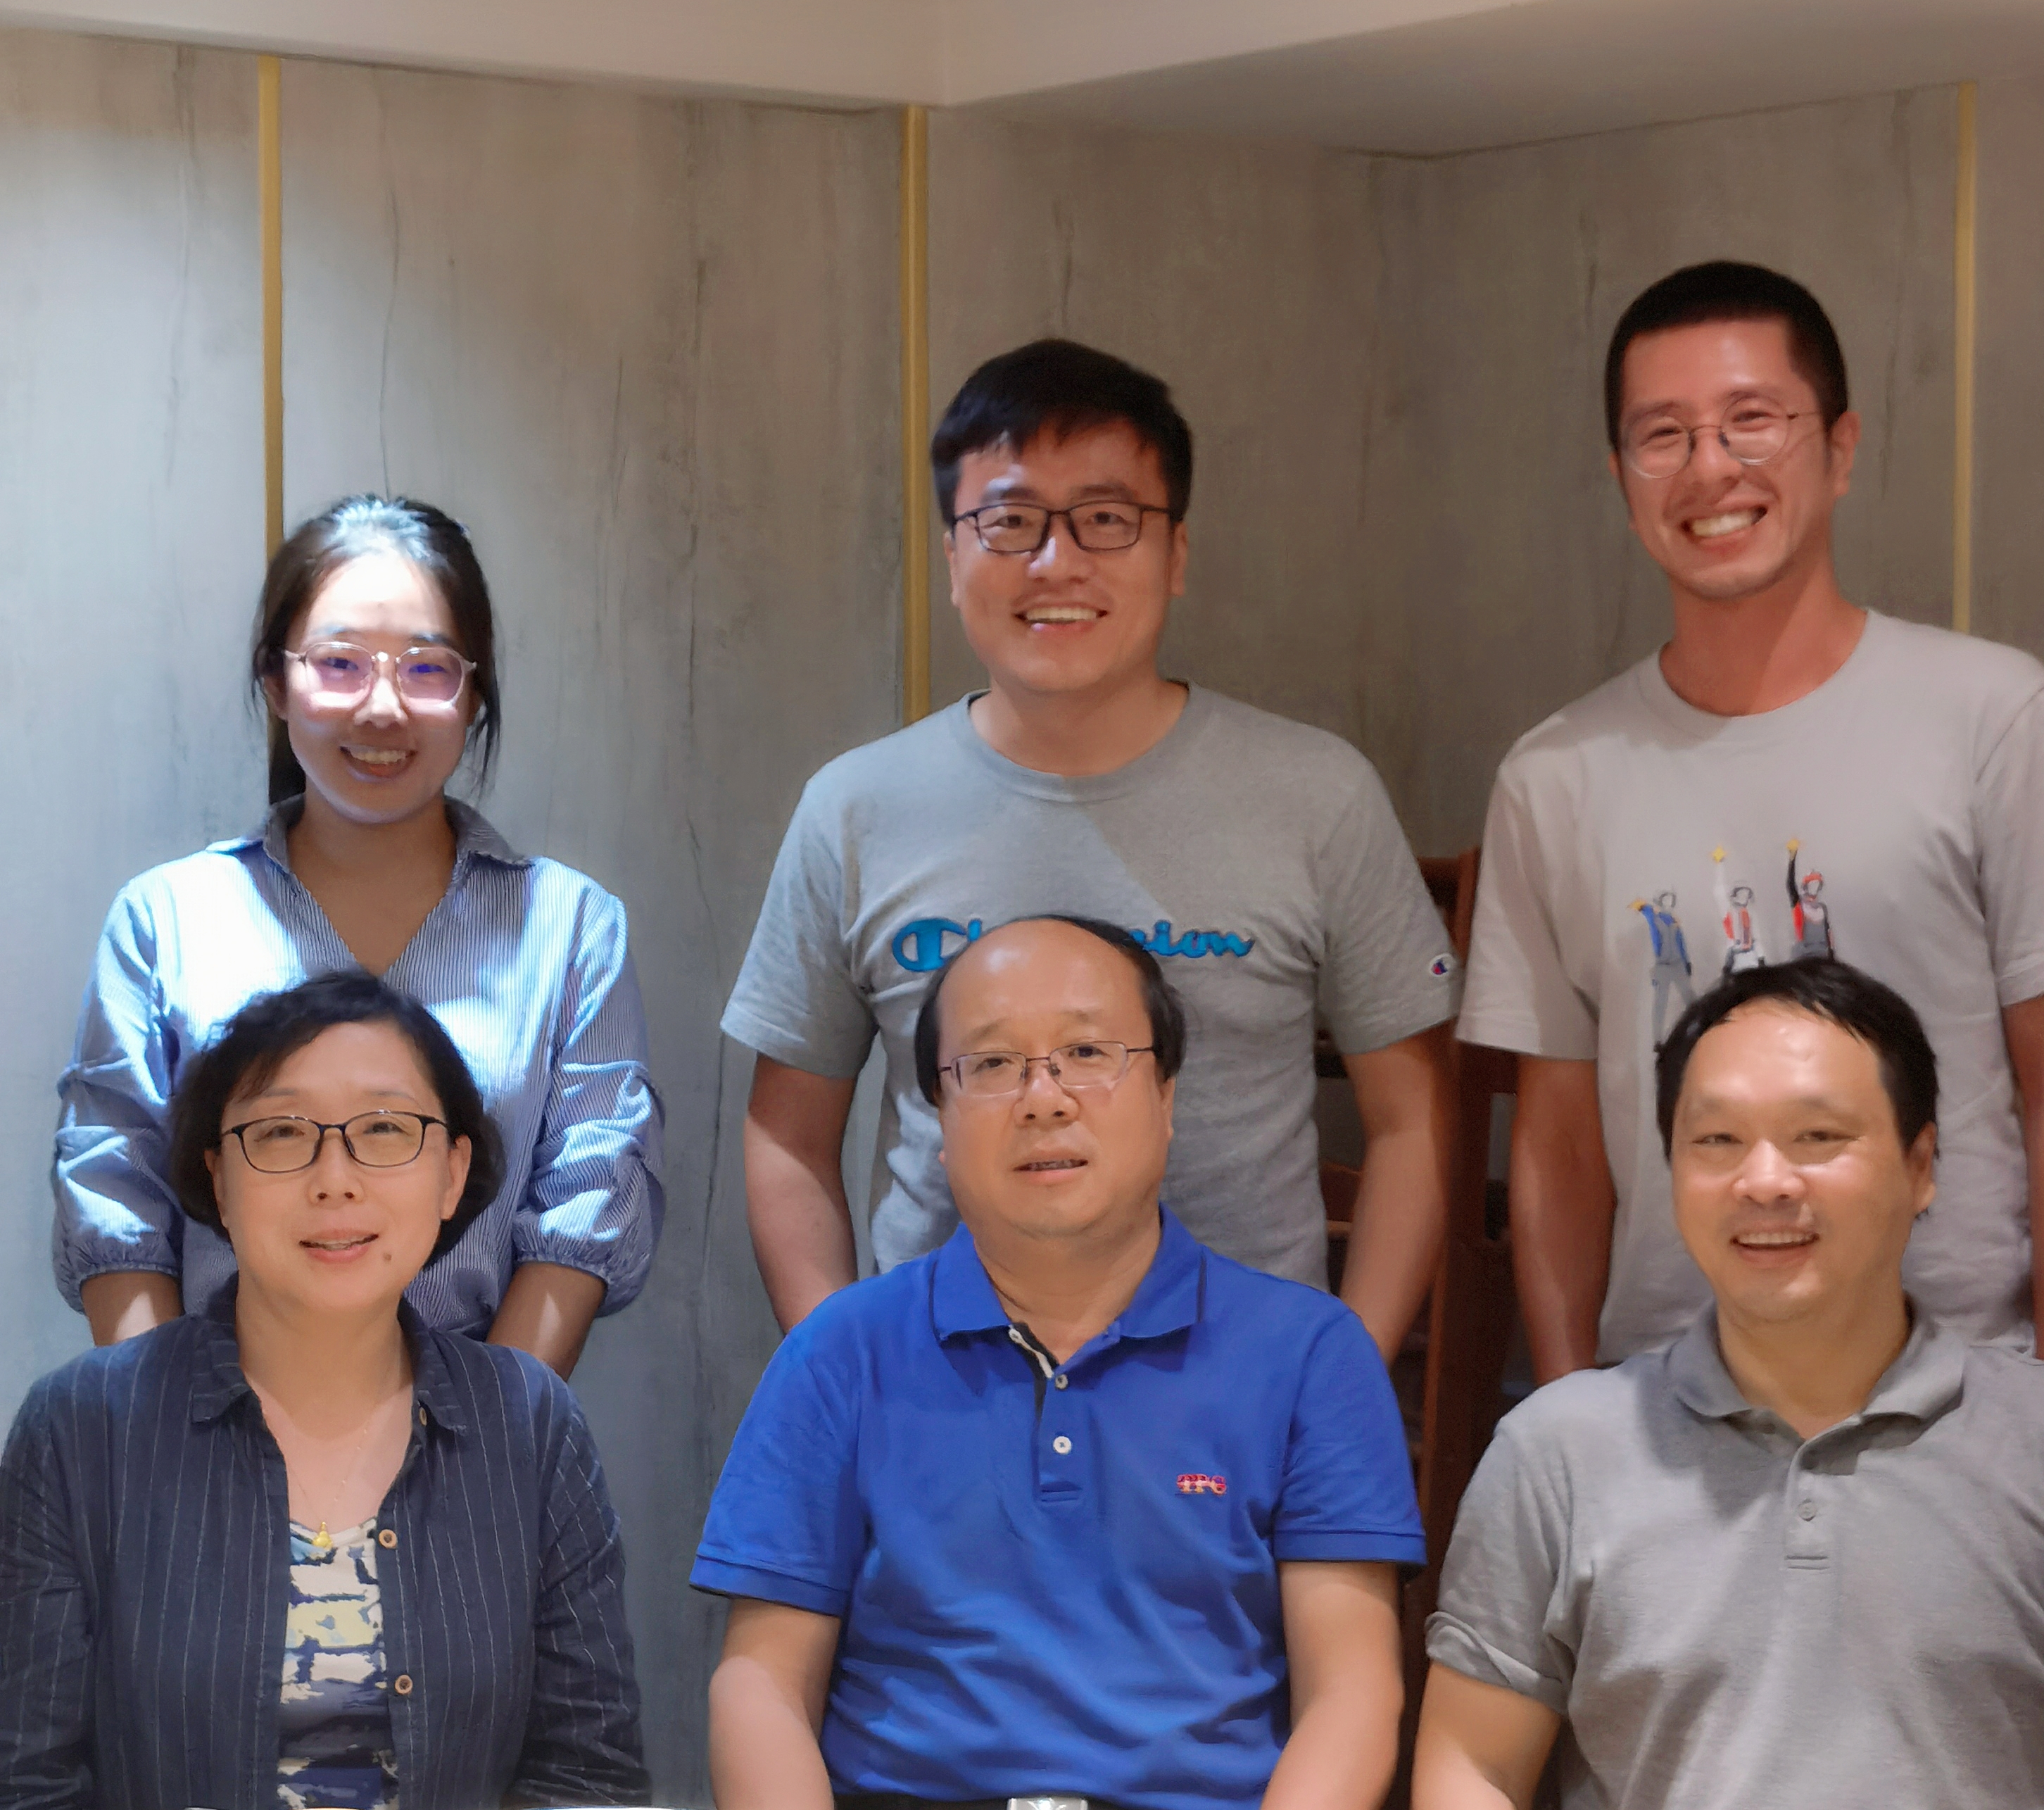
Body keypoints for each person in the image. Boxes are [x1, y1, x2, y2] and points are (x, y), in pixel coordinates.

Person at [1459, 260, 2044, 1380]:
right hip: (1666, 1401)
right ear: (1622, 478)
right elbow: (1560, 1145)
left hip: (1958, 1389)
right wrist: (1574, 1414)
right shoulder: (1555, 775)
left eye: (1753, 420)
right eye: (1664, 434)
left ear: (1840, 447)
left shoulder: (1990, 715)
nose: (1710, 467)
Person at [726, 339, 1458, 1359]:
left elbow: (1413, 1124)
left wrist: (1338, 1385)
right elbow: (788, 1135)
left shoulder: (1319, 797)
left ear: (1177, 553)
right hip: (944, 1403)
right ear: (952, 558)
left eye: (1108, 519)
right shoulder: (854, 809)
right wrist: (848, 1385)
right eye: (1010, 521)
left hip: (1244, 1408)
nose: (1057, 561)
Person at [698, 916, 1427, 1810]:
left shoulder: (1312, 1355)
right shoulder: (840, 1352)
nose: (1043, 1098)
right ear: (940, 1115)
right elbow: (762, 1682)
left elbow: (1352, 1693)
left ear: (1166, 1096)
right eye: (992, 1063)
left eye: (1086, 1052)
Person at [1414, 960, 2044, 1809]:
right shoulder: (1557, 1452)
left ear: (1920, 1164)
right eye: (1717, 1140)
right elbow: (1471, 1767)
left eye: (1818, 1136)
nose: (1764, 1180)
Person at [1, 972, 648, 1809]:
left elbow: (588, 1775)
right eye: (280, 1132)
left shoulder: (532, 1423)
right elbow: (27, 1780)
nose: (334, 1177)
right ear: (218, 1178)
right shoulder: (81, 1427)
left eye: (384, 1128)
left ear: (452, 1173)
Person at [52, 494, 662, 1376]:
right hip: (203, 1419)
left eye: (427, 668)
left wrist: (483, 1434)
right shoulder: (164, 919)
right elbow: (115, 1192)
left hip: (484, 1428)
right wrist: (170, 1432)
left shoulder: (570, 928)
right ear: (276, 682)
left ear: (474, 692)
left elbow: (588, 1198)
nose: (382, 707)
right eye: (339, 663)